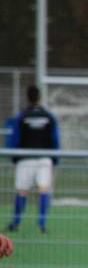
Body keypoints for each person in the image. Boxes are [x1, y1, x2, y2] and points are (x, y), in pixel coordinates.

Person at [6, 86, 60, 234]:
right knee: (43, 190)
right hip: (44, 159)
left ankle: (16, 222)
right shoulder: (48, 116)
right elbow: (55, 139)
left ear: (27, 97)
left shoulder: (22, 116)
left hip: (25, 159)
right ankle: (42, 223)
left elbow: (15, 138)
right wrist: (54, 159)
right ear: (39, 97)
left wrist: (15, 157)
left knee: (22, 191)